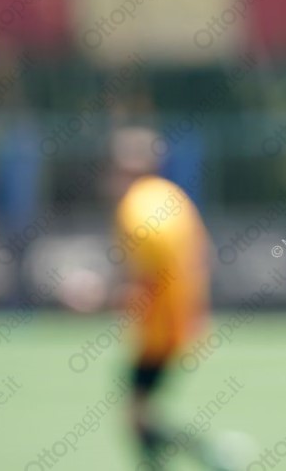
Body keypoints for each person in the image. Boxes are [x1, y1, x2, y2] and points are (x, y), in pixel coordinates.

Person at [110, 127, 211, 466]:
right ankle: (207, 454)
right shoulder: (173, 197)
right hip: (182, 320)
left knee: (136, 413)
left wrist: (104, 296)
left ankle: (211, 454)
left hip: (158, 327)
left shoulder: (135, 206)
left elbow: (148, 276)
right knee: (140, 411)